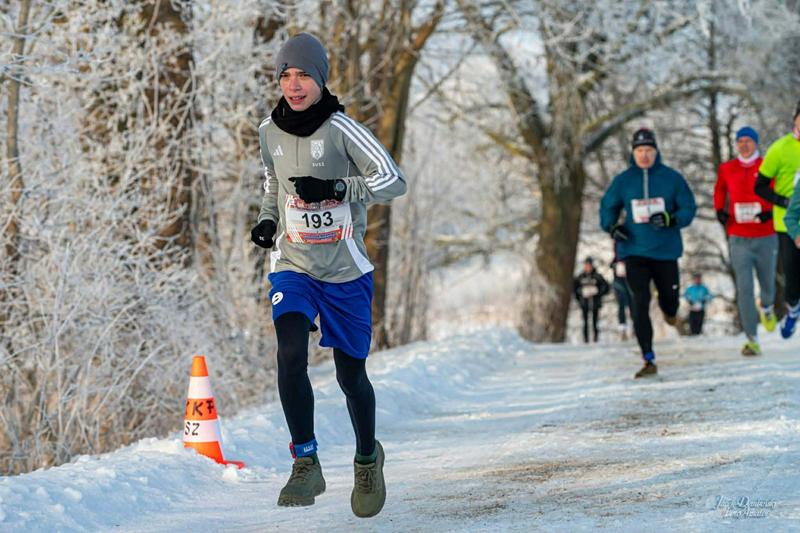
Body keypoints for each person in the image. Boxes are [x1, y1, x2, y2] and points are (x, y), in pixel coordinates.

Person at [250, 33, 407, 517]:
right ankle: (306, 462)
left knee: (350, 375)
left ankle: (367, 458)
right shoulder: (268, 131)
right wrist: (268, 219)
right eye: (286, 76)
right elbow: (273, 185)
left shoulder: (342, 129)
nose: (294, 85)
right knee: (289, 352)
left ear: (320, 80)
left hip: (344, 270)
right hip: (293, 264)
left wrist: (338, 188)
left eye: (304, 75)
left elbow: (393, 180)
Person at [599, 128, 697, 378]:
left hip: (666, 251)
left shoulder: (671, 178)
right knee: (639, 302)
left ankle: (670, 312)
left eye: (649, 150)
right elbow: (607, 207)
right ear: (633, 153)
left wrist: (671, 218)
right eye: (640, 150)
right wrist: (612, 227)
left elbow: (688, 207)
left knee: (670, 300)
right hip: (634, 251)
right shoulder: (623, 181)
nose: (644, 155)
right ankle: (648, 358)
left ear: (656, 152)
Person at [713, 126, 777, 355]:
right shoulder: (727, 168)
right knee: (745, 289)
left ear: (756, 143)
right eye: (740, 141)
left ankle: (767, 306)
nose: (744, 145)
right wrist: (719, 210)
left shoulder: (768, 166)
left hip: (766, 236)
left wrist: (770, 213)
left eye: (749, 141)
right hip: (738, 237)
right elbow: (720, 190)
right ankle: (752, 339)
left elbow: (780, 192)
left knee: (767, 285)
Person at [755, 101, 800, 339]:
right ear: (795, 120)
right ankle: (793, 309)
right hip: (787, 224)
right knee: (792, 277)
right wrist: (782, 200)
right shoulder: (780, 148)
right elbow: (759, 186)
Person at [573, 257, 609, 343]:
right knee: (585, 322)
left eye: (589, 265)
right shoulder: (581, 277)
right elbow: (575, 289)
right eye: (586, 265)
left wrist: (598, 291)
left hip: (595, 302)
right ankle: (586, 339)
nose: (587, 267)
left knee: (595, 321)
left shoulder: (597, 277)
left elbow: (606, 287)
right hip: (584, 302)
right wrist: (581, 293)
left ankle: (595, 338)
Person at [610, 243, 633, 339]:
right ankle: (622, 328)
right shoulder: (616, 260)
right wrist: (615, 266)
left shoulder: (630, 257)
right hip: (620, 285)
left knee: (632, 304)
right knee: (621, 305)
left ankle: (635, 326)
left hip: (630, 284)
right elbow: (612, 266)